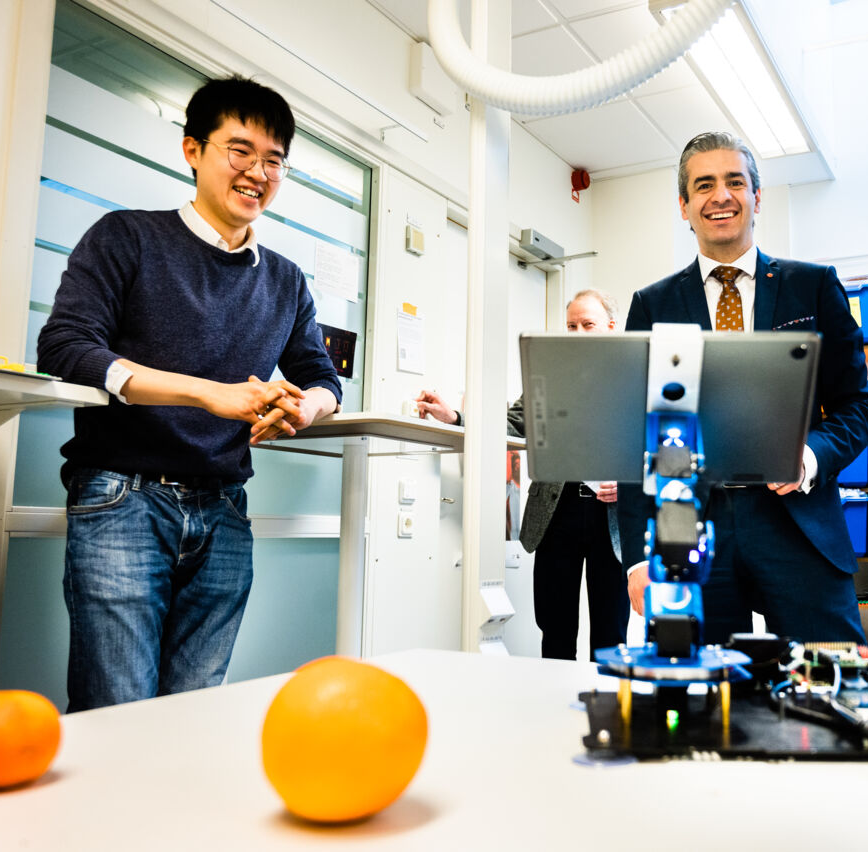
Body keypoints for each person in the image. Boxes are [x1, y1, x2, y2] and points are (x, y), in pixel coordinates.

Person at [36, 76, 341, 711]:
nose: (258, 172)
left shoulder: (286, 280)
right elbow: (67, 347)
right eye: (240, 151)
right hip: (121, 496)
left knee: (195, 709)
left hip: (225, 509)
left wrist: (306, 406)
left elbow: (321, 375)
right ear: (192, 151)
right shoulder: (125, 237)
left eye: (274, 160)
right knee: (115, 708)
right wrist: (207, 395)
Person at [620, 131, 868, 645]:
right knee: (698, 696)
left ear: (756, 197)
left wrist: (810, 456)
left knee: (828, 681)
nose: (721, 196)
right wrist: (635, 558)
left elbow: (857, 405)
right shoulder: (653, 305)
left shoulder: (813, 286)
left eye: (735, 182)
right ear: (684, 205)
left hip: (796, 521)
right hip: (686, 527)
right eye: (704, 185)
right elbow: (635, 433)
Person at [416, 290, 629, 660]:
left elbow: (657, 443)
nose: (577, 333)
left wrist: (630, 483)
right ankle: (554, 706)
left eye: (587, 325)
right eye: (571, 326)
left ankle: (605, 709)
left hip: (611, 520)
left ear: (611, 327)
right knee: (555, 624)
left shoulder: (632, 377)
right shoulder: (547, 374)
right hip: (555, 514)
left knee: (611, 631)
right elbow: (513, 424)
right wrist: (456, 418)